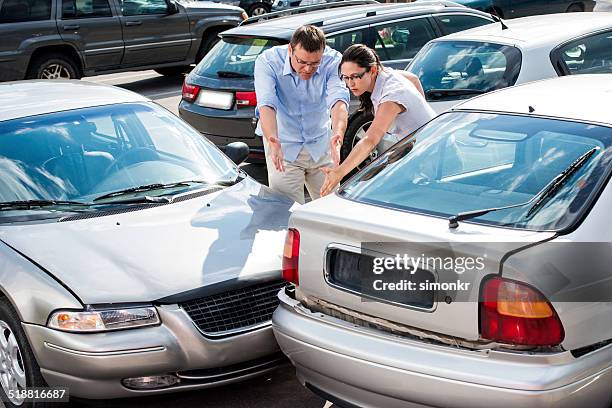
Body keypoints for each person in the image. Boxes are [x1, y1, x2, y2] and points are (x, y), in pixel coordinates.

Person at [320, 44, 435, 196]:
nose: (350, 84)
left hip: (434, 160)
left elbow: (370, 140)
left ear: (372, 70)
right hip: (420, 153)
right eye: (346, 78)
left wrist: (339, 172)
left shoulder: (392, 94)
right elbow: (413, 79)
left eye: (355, 77)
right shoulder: (385, 74)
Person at [254, 25, 349, 204]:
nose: (307, 69)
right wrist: (272, 138)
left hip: (321, 145)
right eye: (302, 62)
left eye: (314, 64)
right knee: (287, 214)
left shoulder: (333, 60)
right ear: (290, 50)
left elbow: (339, 100)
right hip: (283, 148)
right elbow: (266, 103)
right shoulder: (268, 61)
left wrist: (338, 133)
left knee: (330, 209)